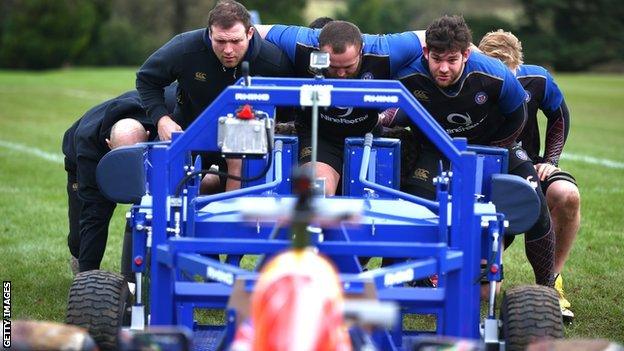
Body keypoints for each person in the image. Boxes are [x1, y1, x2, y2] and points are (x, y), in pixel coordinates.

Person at [393, 15, 557, 289]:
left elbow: (518, 117)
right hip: (437, 149)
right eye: (436, 59)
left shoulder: (494, 74)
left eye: (452, 60)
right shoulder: (408, 75)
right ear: (426, 52)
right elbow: (390, 108)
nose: (443, 68)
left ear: (466, 54)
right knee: (415, 208)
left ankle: (547, 286)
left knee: (534, 203)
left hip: (495, 146)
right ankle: (421, 279)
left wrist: (495, 151)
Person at [136, 0, 294, 191]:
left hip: (248, 143)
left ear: (250, 33)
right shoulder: (185, 48)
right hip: (191, 130)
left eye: (235, 41)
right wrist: (162, 119)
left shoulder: (274, 62)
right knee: (161, 187)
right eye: (220, 41)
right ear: (210, 33)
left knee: (251, 194)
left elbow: (292, 105)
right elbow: (147, 79)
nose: (228, 50)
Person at [479, 29, 580, 322]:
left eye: (507, 72)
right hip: (486, 165)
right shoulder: (472, 79)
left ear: (517, 65)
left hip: (530, 163)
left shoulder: (538, 79)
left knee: (567, 195)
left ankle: (552, 283)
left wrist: (550, 160)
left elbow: (559, 115)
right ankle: (477, 271)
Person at [256, 21, 424, 195]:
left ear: (362, 50)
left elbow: (432, 38)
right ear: (318, 50)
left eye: (348, 67)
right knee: (316, 193)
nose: (341, 74)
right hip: (320, 137)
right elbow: (250, 30)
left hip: (366, 134)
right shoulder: (302, 42)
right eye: (334, 67)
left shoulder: (385, 49)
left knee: (370, 201)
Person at [62, 85, 177, 273]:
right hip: (81, 159)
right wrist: (87, 277)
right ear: (109, 144)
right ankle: (80, 260)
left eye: (134, 154)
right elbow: (94, 213)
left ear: (148, 135)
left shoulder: (166, 112)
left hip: (150, 138)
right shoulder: (88, 146)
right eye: (123, 157)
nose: (129, 168)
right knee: (81, 234)